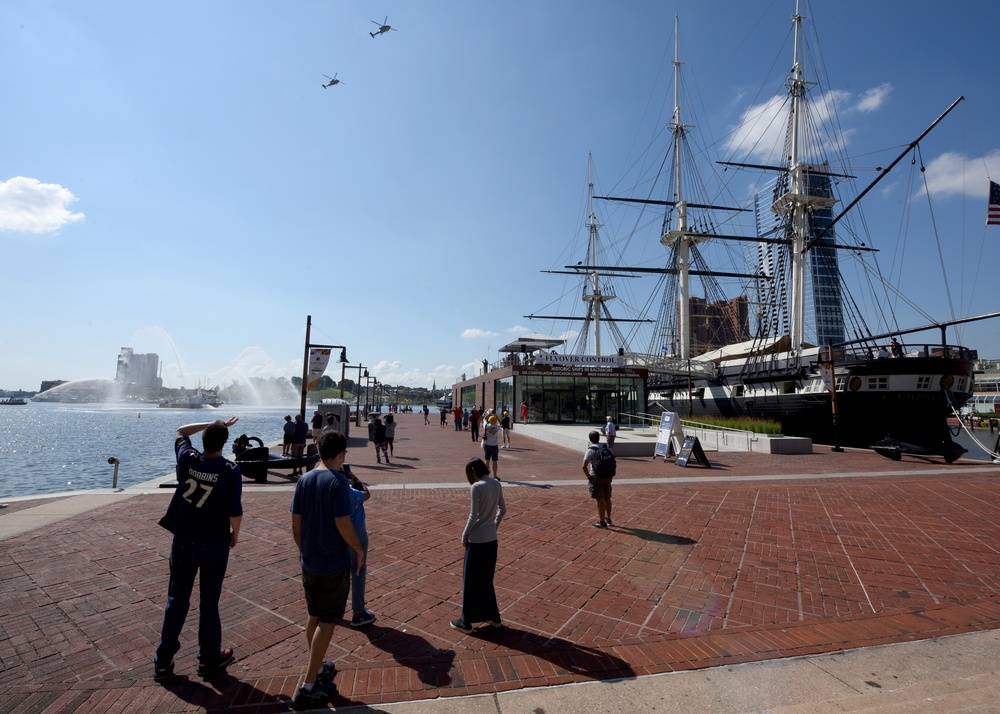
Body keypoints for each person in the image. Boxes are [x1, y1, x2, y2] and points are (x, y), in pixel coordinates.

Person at [154, 417, 243, 682]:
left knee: (176, 601)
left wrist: (210, 425)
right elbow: (234, 511)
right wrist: (235, 534)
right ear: (224, 443)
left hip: (183, 540)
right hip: (214, 543)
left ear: (203, 439)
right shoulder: (230, 470)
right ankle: (208, 659)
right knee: (208, 603)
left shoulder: (188, 459)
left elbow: (180, 430)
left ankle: (163, 662)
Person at [290, 430, 366, 710]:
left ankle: (318, 666)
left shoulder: (304, 479)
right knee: (328, 621)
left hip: (309, 561)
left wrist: (303, 549)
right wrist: (358, 550)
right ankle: (308, 686)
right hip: (332, 564)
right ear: (342, 453)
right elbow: (344, 524)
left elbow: (295, 523)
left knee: (314, 615)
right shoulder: (338, 482)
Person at [451, 457, 506, 634]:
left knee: (471, 580)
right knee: (486, 580)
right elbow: (503, 509)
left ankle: (466, 620)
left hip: (477, 540)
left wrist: (464, 534)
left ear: (473, 472)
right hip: (491, 539)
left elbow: (473, 515)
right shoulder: (496, 483)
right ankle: (493, 616)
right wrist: (493, 525)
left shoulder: (476, 487)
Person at [344, 465, 376, 627]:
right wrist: (356, 480)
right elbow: (367, 494)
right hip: (356, 529)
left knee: (341, 568)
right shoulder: (352, 493)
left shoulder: (331, 490)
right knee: (358, 569)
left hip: (338, 529)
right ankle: (358, 611)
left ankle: (334, 608)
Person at [583, 430, 614, 528]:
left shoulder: (590, 450)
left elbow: (584, 466)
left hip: (596, 477)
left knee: (600, 500)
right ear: (599, 438)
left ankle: (602, 522)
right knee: (607, 498)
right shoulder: (606, 447)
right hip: (608, 476)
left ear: (590, 439)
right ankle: (608, 518)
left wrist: (588, 476)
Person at [482, 413, 502, 481]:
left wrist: (488, 414)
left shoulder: (486, 425)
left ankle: (486, 475)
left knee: (487, 461)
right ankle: (495, 475)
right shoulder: (497, 427)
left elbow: (484, 419)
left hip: (487, 445)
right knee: (494, 461)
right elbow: (500, 422)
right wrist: (496, 415)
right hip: (494, 446)